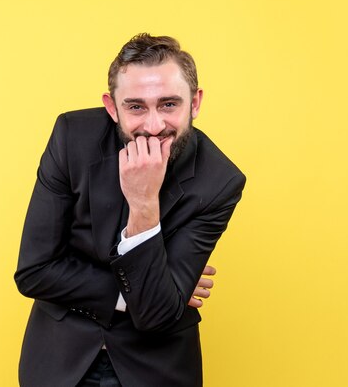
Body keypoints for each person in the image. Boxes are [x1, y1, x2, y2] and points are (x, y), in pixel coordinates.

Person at [14, 33, 246, 386]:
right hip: (61, 361)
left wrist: (143, 206)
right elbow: (35, 270)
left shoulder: (219, 182)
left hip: (157, 368)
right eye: (136, 106)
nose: (154, 126)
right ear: (112, 107)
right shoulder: (71, 137)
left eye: (169, 104)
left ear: (195, 102)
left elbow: (157, 316)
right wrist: (163, 287)